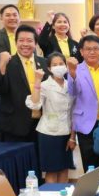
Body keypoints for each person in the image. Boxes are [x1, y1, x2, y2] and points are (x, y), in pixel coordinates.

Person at [0, 25, 47, 142]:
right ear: (16, 42)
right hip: (15, 125)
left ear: (35, 43)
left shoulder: (44, 63)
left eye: (29, 40)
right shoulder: (7, 62)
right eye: (21, 40)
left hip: (42, 124)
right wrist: (1, 66)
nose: (25, 44)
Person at [26, 52, 74, 182]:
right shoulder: (44, 85)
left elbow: (73, 112)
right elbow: (35, 104)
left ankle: (64, 195)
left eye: (61, 64)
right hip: (49, 133)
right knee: (52, 170)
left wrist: (72, 136)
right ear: (49, 68)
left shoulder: (70, 84)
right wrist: (37, 80)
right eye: (54, 64)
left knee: (64, 169)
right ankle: (51, 195)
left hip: (66, 132)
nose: (58, 67)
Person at [67, 35, 99, 171]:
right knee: (90, 164)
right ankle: (92, 186)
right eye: (88, 49)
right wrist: (72, 74)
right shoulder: (75, 69)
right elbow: (73, 93)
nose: (92, 52)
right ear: (81, 51)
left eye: (96, 48)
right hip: (86, 123)